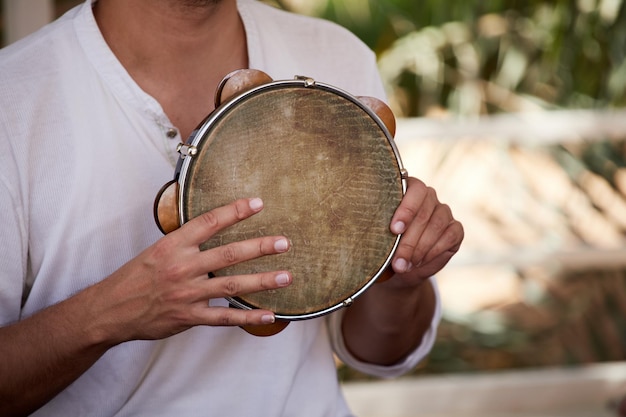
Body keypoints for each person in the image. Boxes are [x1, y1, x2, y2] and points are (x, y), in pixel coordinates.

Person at [0, 0, 464, 416]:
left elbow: (380, 353)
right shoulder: (14, 96)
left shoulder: (334, 53)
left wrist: (400, 279)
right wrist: (108, 313)